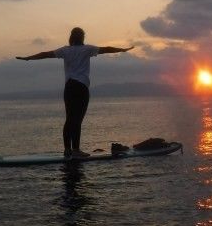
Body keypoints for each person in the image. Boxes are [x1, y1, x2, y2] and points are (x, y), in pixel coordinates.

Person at [16, 27, 133, 158]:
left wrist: (28, 58)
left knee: (69, 119)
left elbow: (45, 54)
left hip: (69, 87)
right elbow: (106, 49)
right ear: (82, 37)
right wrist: (122, 50)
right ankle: (76, 150)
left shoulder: (65, 50)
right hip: (81, 87)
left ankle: (67, 150)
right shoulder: (87, 49)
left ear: (71, 37)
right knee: (77, 120)